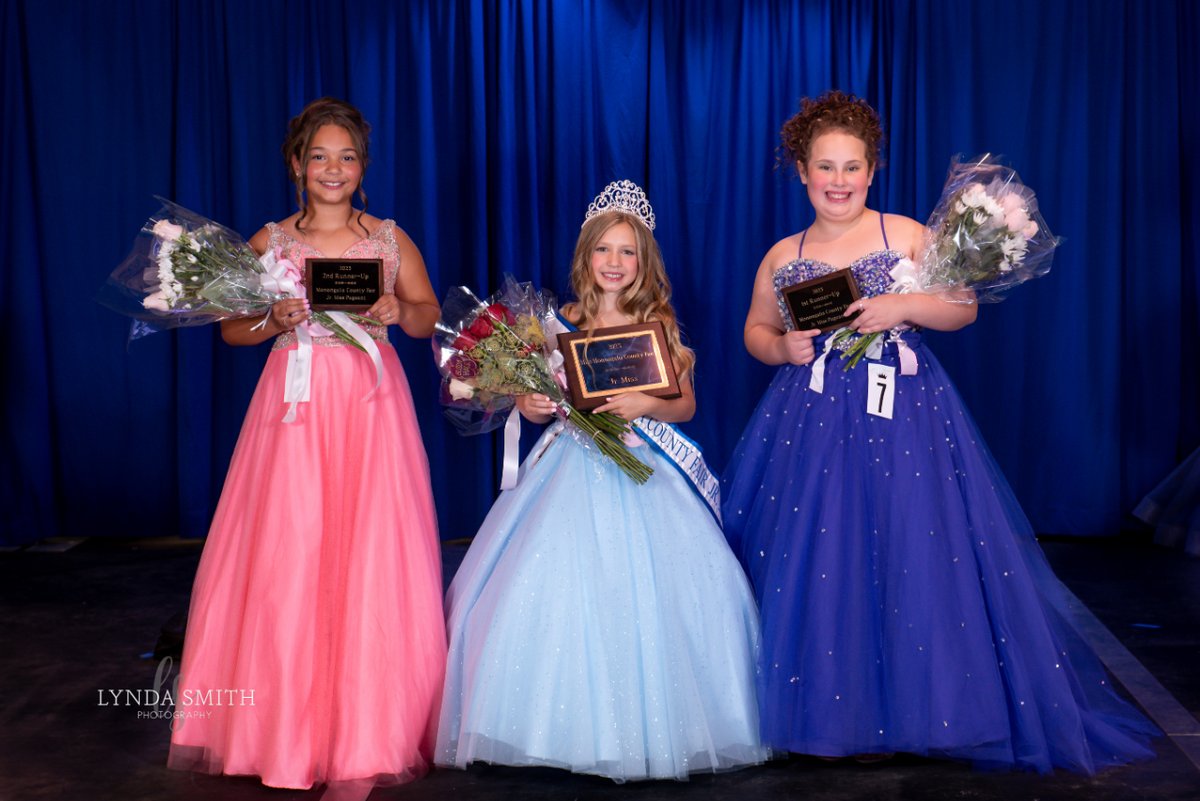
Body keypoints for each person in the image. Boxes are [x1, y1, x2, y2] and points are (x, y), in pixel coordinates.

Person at [721, 91, 1157, 773]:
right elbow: (755, 328)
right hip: (811, 423)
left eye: (852, 167)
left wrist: (902, 306)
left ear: (872, 171)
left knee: (910, 547)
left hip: (904, 419)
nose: (838, 180)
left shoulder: (904, 234)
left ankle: (920, 707)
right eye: (825, 167)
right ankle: (832, 711)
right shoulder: (784, 253)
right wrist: (781, 347)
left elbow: (963, 309)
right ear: (802, 172)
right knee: (824, 554)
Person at [435, 180, 768, 782]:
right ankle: (545, 727)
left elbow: (685, 404)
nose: (614, 262)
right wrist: (531, 403)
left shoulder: (655, 324)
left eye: (627, 252)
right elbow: (537, 398)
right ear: (586, 256)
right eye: (604, 250)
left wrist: (645, 403)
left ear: (644, 262)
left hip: (643, 468)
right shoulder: (555, 323)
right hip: (568, 467)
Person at [168, 98, 446, 794]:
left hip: (370, 408)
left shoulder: (389, 239)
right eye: (319, 156)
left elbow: (428, 315)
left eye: (346, 157)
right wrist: (274, 318)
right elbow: (232, 330)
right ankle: (282, 732)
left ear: (363, 167)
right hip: (292, 408)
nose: (332, 169)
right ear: (296, 164)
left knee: (369, 552)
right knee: (289, 554)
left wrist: (399, 309)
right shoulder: (270, 241)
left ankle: (366, 730)